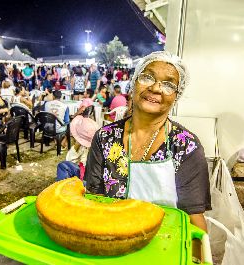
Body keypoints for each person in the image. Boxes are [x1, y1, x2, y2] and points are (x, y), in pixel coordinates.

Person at [84, 51, 211, 236]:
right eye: (147, 77)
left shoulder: (186, 146)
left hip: (165, 245)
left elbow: (193, 217)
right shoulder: (105, 138)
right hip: (110, 237)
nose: (156, 88)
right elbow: (94, 200)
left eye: (168, 85)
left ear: (176, 95)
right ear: (134, 82)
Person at [56, 115, 99, 181]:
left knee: (63, 166)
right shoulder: (94, 145)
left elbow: (69, 161)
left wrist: (76, 146)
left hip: (88, 180)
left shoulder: (84, 148)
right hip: (92, 177)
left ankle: (64, 188)